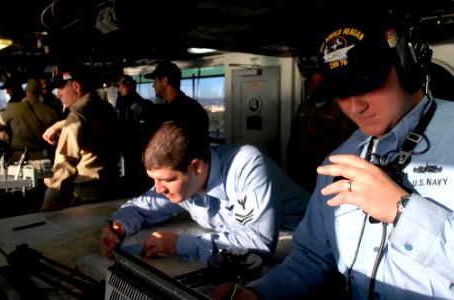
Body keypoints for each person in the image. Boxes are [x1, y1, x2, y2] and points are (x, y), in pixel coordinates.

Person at [210, 12, 454, 300]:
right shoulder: (340, 160)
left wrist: (401, 212)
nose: (354, 106)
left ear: (407, 66)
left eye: (367, 84)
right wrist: (257, 294)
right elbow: (311, 259)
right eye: (341, 91)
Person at [100, 120, 310, 264]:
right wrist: (119, 227)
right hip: (239, 250)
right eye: (154, 180)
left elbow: (259, 244)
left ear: (196, 167)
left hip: (299, 246)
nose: (158, 189)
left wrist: (178, 244)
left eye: (166, 179)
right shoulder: (183, 183)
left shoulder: (247, 166)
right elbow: (139, 207)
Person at [41, 68, 121, 212]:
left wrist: (51, 200)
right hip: (112, 190)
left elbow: (65, 163)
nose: (58, 95)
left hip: (87, 196)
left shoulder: (77, 116)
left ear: (76, 87)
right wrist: (61, 125)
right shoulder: (106, 108)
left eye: (61, 89)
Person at [286, 71, 357, 192]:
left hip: (326, 166)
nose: (312, 86)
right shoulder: (303, 107)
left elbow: (347, 141)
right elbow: (294, 137)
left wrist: (320, 132)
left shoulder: (339, 109)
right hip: (302, 167)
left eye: (317, 82)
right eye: (311, 82)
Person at [0, 78, 59, 161]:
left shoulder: (13, 108)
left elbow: (1, 121)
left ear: (26, 90)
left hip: (19, 157)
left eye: (8, 89)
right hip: (43, 158)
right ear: (41, 91)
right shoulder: (50, 112)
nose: (7, 91)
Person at [144, 60, 210, 137]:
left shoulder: (188, 111)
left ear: (165, 81)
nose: (153, 85)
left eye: (155, 80)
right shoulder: (192, 107)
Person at [114, 74, 155, 196]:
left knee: (135, 174)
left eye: (122, 87)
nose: (119, 90)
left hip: (135, 146)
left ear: (131, 87)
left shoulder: (139, 104)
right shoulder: (126, 103)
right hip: (131, 146)